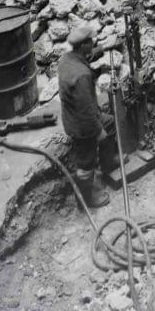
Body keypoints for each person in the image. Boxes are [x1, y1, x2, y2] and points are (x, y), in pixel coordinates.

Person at [58, 24, 112, 208]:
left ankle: (108, 164)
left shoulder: (67, 59)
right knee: (86, 163)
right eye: (91, 42)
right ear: (83, 45)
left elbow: (86, 56)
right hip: (82, 126)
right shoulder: (82, 76)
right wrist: (98, 131)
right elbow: (86, 110)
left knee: (110, 122)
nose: (93, 43)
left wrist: (103, 48)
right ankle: (86, 201)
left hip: (72, 116)